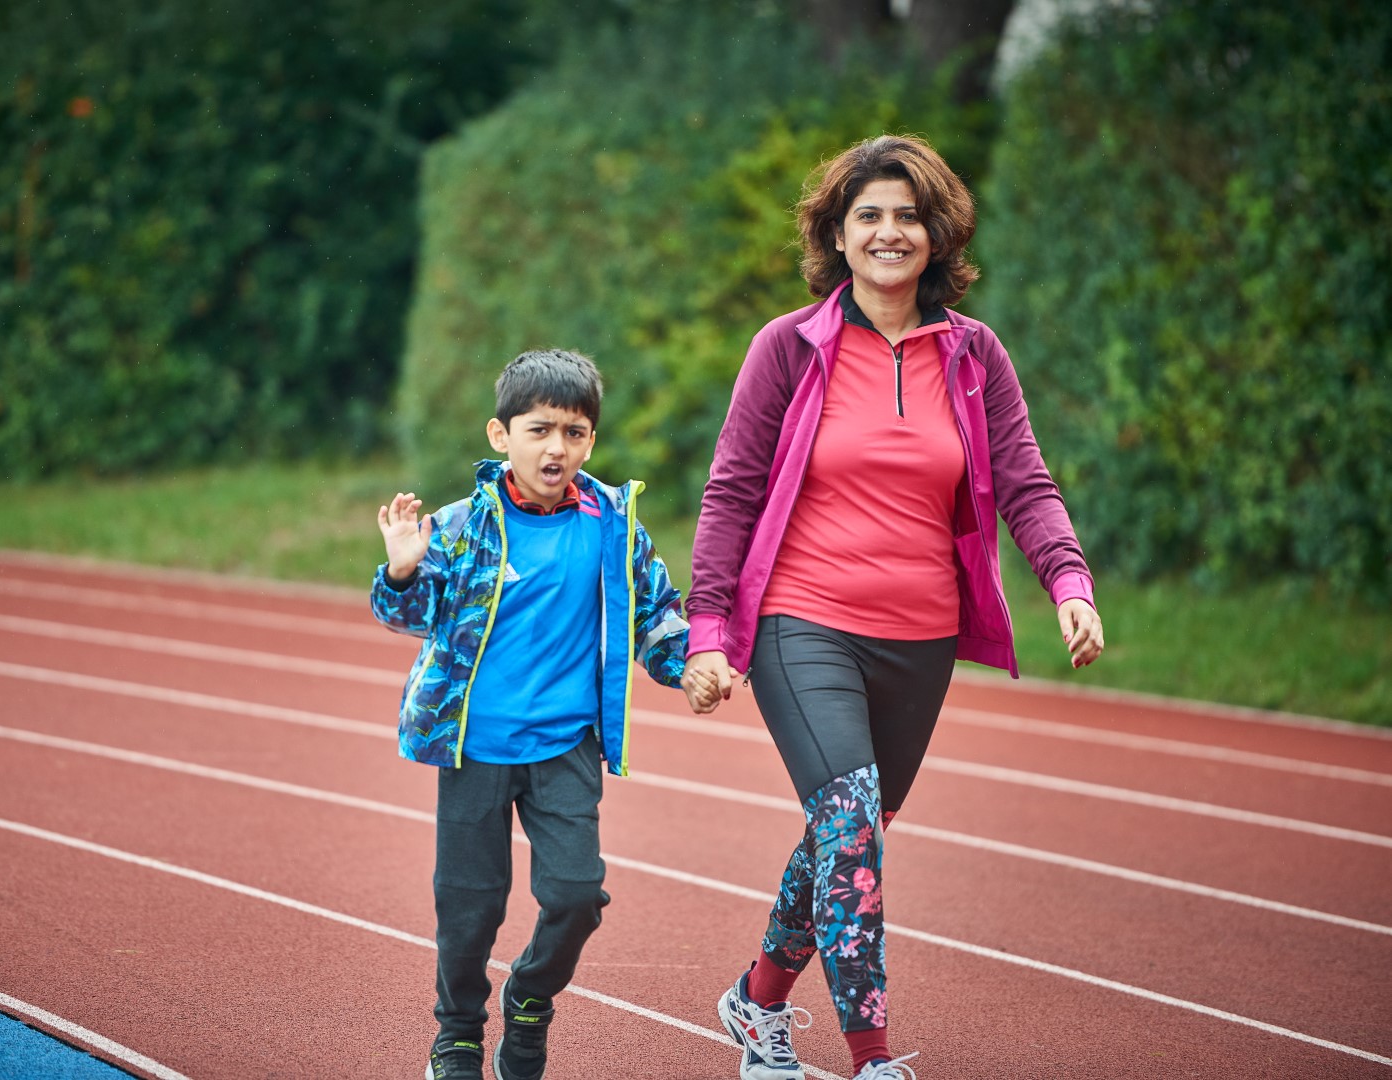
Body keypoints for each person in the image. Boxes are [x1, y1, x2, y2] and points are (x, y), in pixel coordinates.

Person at [683, 134, 1105, 1080]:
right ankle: (871, 1058)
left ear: (936, 234)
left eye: (908, 215)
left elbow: (1026, 483)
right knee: (850, 825)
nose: (888, 231)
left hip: (920, 638)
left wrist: (1069, 584)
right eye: (867, 214)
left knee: (851, 836)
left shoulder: (975, 355)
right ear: (836, 235)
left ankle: (756, 1000)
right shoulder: (788, 348)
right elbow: (732, 493)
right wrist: (709, 632)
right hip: (802, 623)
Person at [372, 348, 716, 1080]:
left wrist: (686, 664)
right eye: (539, 430)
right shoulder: (461, 525)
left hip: (566, 746)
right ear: (501, 436)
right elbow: (413, 615)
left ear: (591, 440)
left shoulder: (613, 524)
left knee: (576, 895)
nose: (556, 448)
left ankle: (529, 999)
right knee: (470, 907)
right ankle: (458, 1036)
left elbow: (655, 611)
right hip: (474, 747)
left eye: (574, 432)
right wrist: (402, 569)